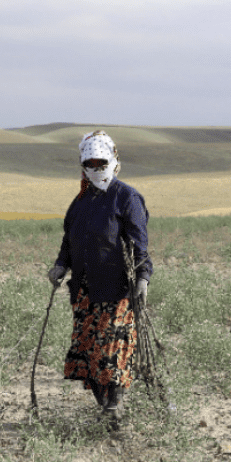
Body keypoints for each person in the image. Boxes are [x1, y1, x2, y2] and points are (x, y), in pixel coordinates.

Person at [48, 130, 153, 429]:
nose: (96, 169)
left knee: (112, 353)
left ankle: (114, 408)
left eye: (101, 162)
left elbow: (139, 244)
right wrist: (59, 266)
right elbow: (70, 241)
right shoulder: (80, 202)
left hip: (117, 289)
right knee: (88, 355)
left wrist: (143, 277)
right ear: (83, 166)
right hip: (84, 290)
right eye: (90, 163)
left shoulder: (127, 197)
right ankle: (107, 411)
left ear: (114, 160)